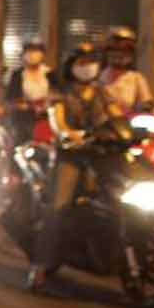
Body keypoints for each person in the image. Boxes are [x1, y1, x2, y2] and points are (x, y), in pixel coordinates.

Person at [28, 42, 124, 291]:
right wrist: (69, 134)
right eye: (82, 63)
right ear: (71, 66)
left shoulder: (102, 92)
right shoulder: (61, 92)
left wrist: (129, 130)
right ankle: (39, 268)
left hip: (101, 156)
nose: (88, 67)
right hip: (71, 156)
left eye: (91, 62)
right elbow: (57, 121)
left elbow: (117, 116)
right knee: (58, 208)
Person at [2, 38, 52, 142]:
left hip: (46, 121)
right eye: (30, 51)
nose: (33, 54)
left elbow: (58, 96)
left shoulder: (50, 74)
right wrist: (25, 106)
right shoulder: (17, 75)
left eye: (36, 50)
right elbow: (10, 99)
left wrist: (46, 104)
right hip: (22, 122)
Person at [98, 26, 154, 114]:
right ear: (107, 52)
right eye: (115, 49)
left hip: (129, 124)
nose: (119, 54)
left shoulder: (136, 79)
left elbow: (146, 103)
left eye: (125, 50)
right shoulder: (97, 78)